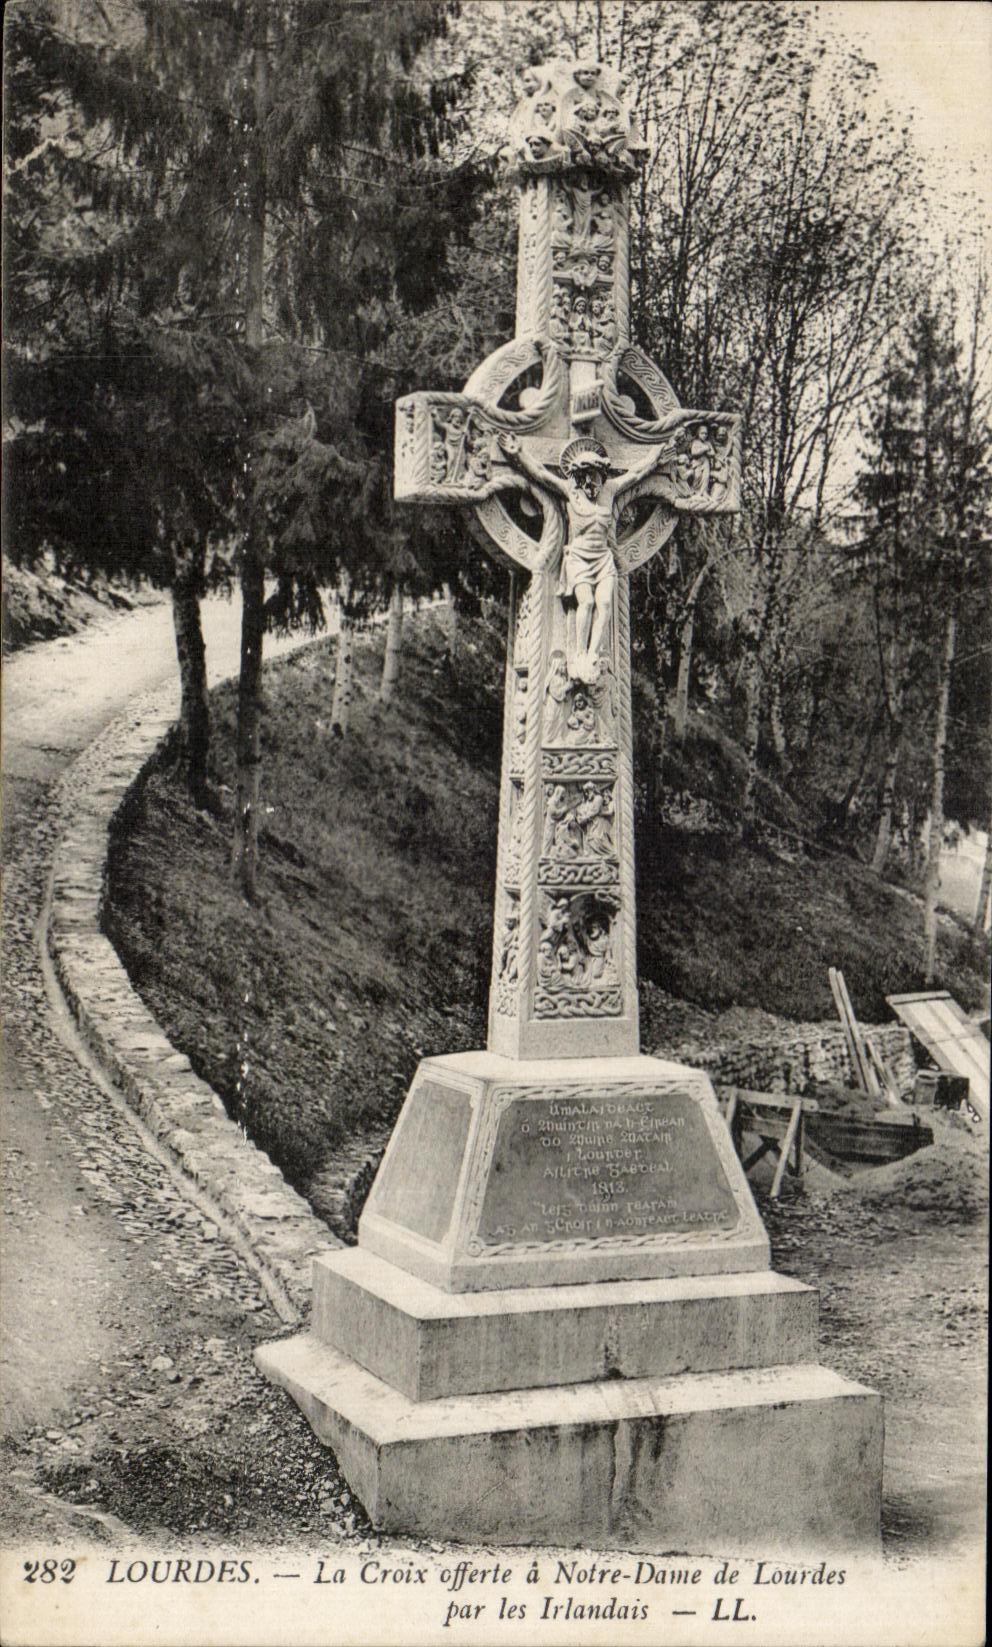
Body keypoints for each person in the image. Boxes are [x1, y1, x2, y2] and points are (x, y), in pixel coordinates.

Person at [497, 433, 663, 683]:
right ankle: (579, 653)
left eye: (595, 475)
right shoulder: (570, 491)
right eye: (585, 476)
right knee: (585, 603)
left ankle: (592, 656)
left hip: (603, 558)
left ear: (601, 475)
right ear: (577, 476)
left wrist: (655, 458)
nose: (590, 483)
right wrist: (518, 453)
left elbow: (637, 474)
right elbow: (541, 474)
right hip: (579, 558)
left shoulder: (610, 490)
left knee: (605, 605)